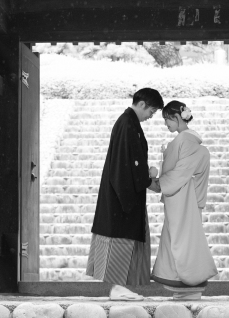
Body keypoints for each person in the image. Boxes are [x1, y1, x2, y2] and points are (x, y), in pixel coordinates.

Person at [86, 88, 164, 301]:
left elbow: (132, 162)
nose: (151, 116)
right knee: (120, 238)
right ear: (142, 104)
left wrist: (145, 178)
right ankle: (117, 287)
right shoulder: (127, 124)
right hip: (122, 194)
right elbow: (129, 163)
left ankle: (120, 286)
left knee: (124, 238)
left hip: (124, 190)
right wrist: (148, 181)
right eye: (152, 111)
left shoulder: (129, 123)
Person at [151, 100, 218, 300]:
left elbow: (181, 172)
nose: (165, 124)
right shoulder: (186, 140)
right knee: (180, 240)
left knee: (182, 242)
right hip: (182, 197)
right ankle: (185, 288)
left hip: (183, 198)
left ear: (176, 117)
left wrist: (156, 183)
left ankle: (189, 284)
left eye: (167, 119)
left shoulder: (185, 141)